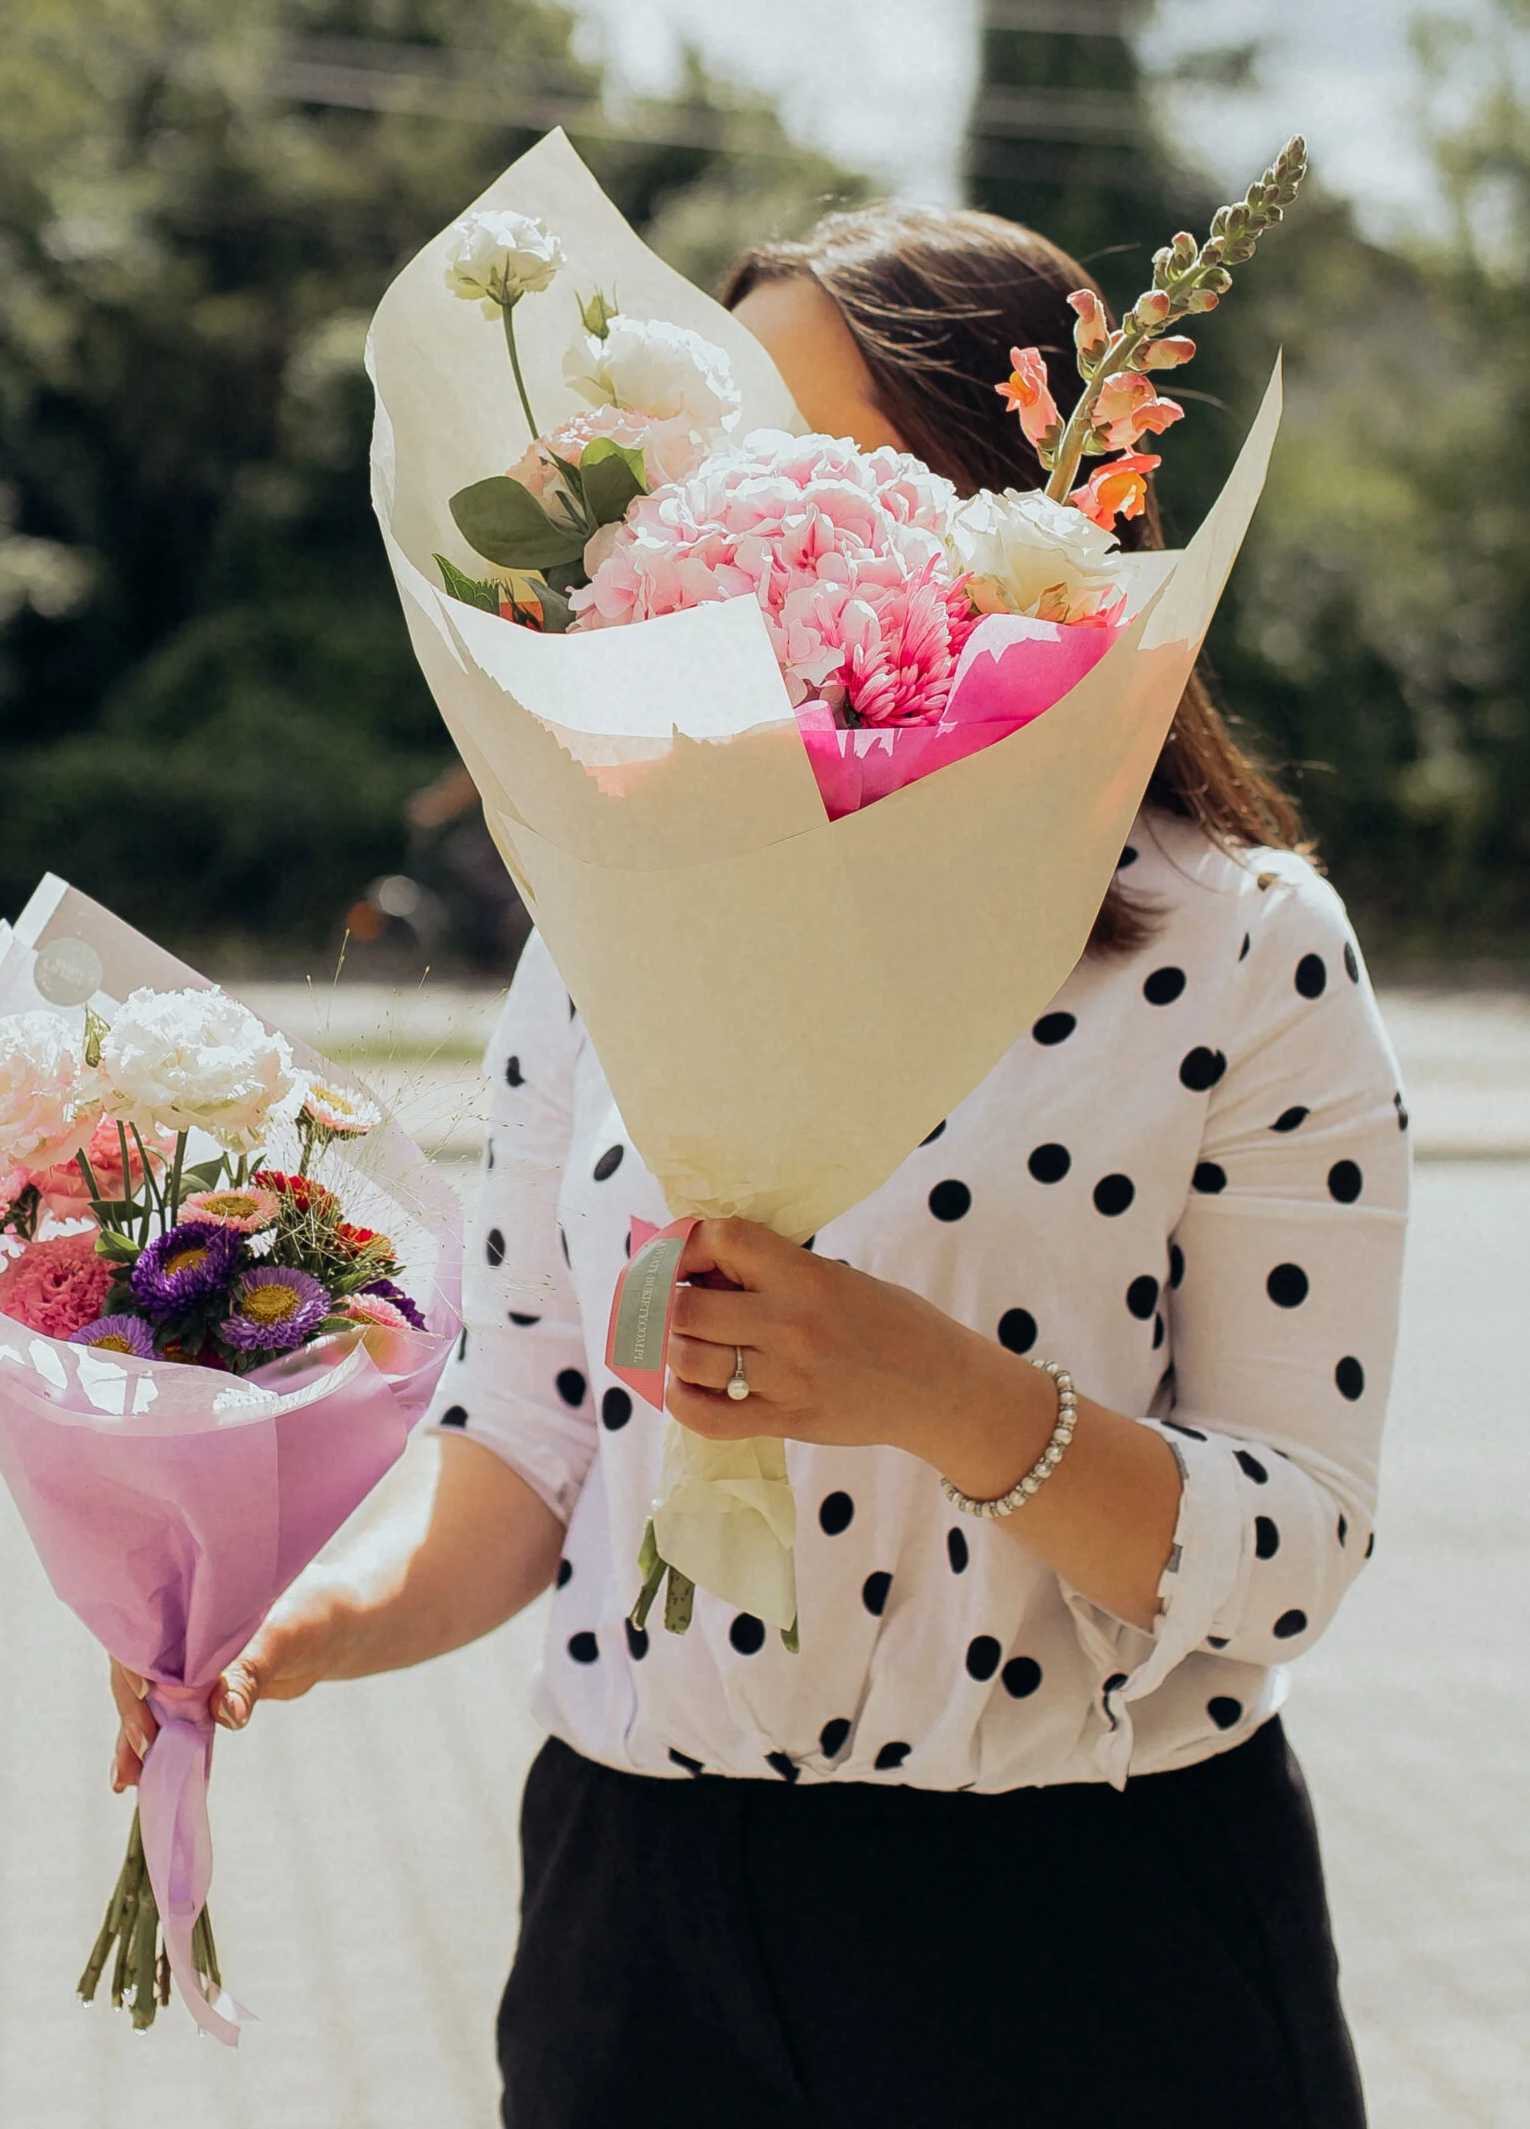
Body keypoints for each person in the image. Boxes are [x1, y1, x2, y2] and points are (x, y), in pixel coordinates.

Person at [111, 206, 1407, 2128]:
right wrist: (293, 1622)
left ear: (1014, 501)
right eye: (709, 462)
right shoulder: (605, 928)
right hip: (641, 1935)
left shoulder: (1243, 946)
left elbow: (1289, 1552)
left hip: (1086, 1939)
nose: (731, 517)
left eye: (820, 455)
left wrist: (939, 1398)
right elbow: (523, 1449)